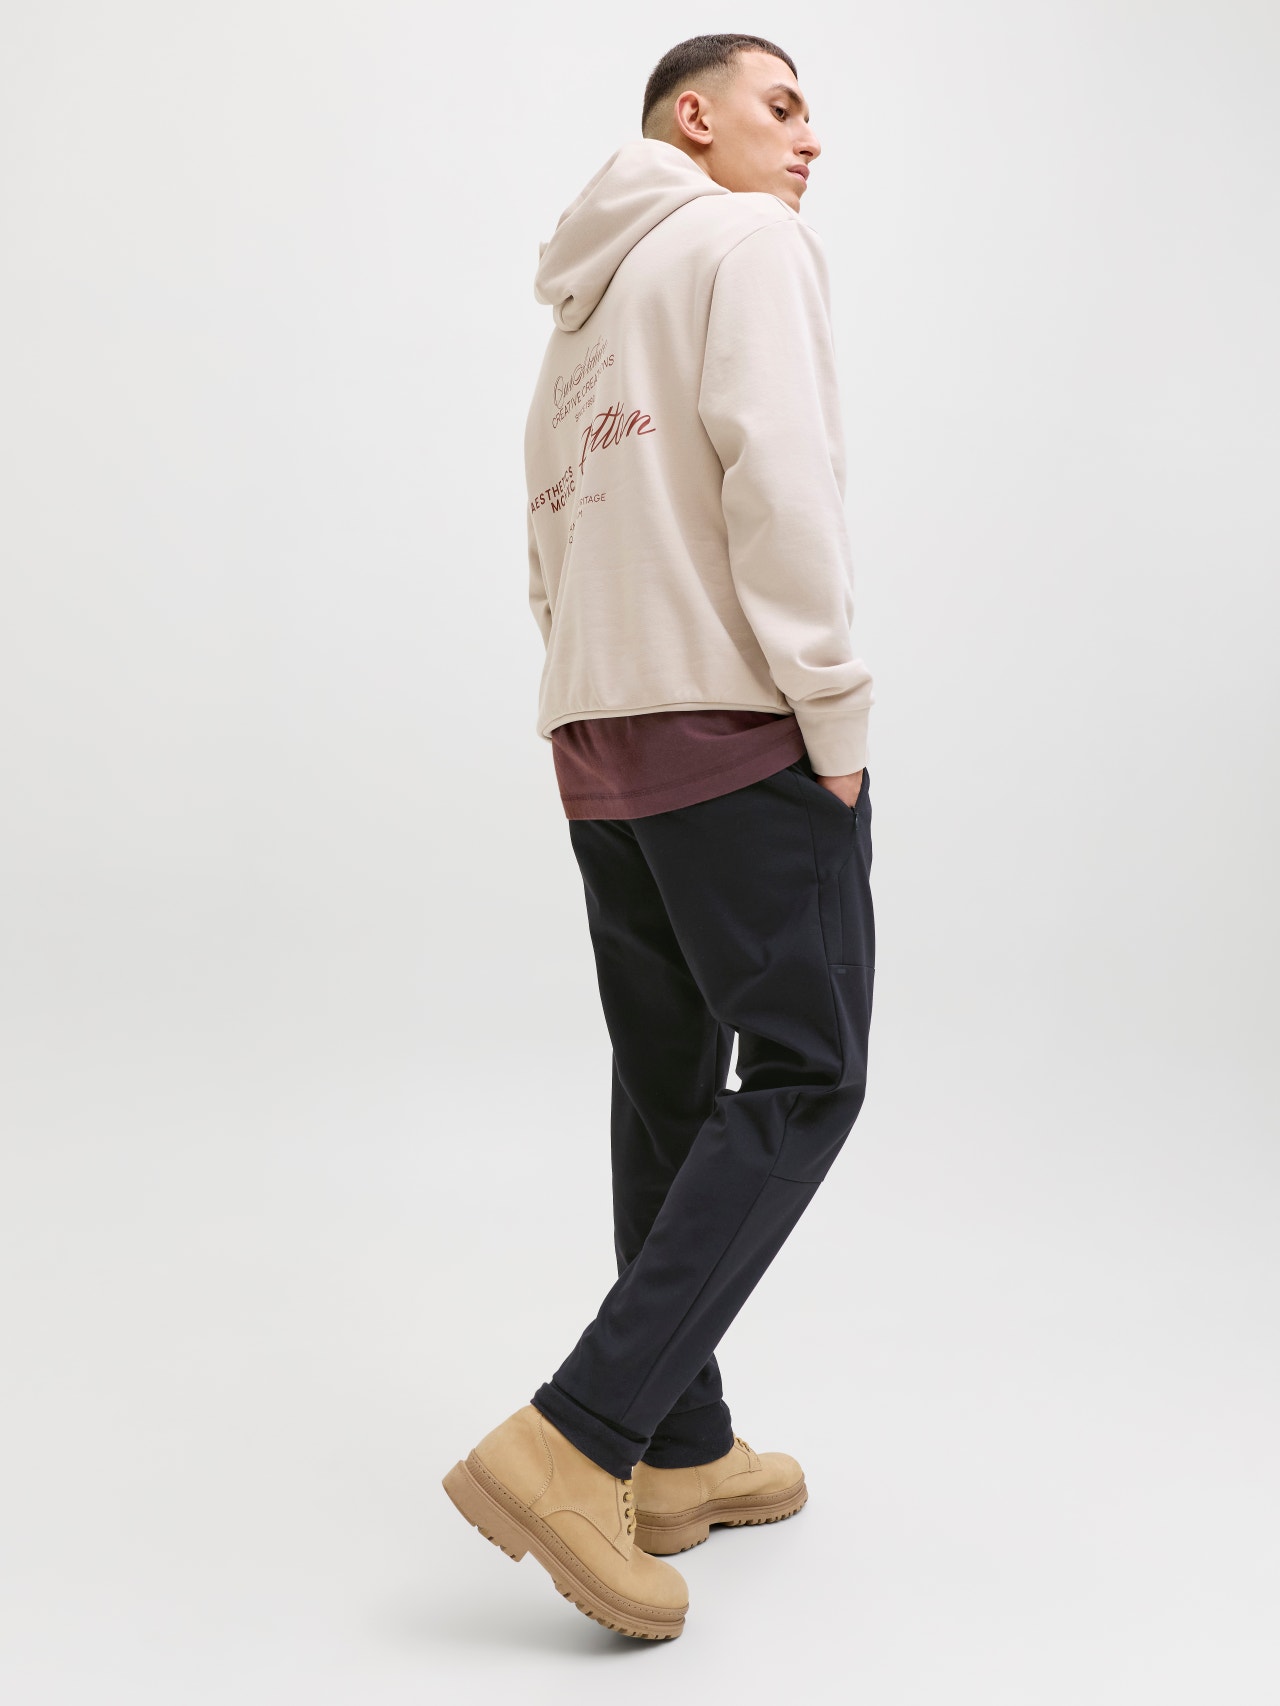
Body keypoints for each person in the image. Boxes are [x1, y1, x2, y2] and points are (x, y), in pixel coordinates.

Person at [443, 33, 876, 1642]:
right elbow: (785, 484)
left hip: (601, 730)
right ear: (693, 118)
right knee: (809, 1072)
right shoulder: (743, 239)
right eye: (783, 105)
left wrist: (589, 685)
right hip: (730, 727)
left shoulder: (583, 302)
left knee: (672, 1079)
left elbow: (546, 524)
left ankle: (680, 1444)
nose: (811, 139)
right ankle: (578, 1437)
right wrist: (831, 710)